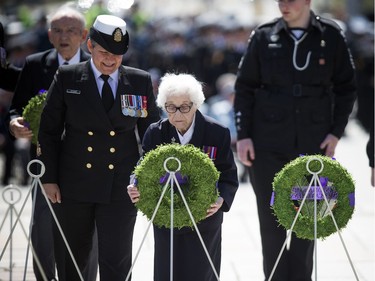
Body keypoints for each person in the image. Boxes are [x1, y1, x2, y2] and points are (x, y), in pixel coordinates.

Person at [233, 0, 356, 280]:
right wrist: (244, 136)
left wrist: (335, 132)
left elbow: (346, 88)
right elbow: (244, 88)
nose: (284, 5)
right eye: (280, 0)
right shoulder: (264, 36)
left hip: (311, 148)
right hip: (267, 147)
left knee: (306, 224)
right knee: (272, 223)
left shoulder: (330, 36)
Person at [38, 14, 160, 281]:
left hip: (121, 184)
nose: (110, 60)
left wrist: (149, 180)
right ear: (90, 46)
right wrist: (49, 178)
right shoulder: (69, 77)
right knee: (72, 260)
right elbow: (48, 131)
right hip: (75, 183)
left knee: (117, 261)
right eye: (104, 52)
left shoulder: (139, 81)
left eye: (117, 54)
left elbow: (152, 134)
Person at [7, 6, 98, 281]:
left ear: (84, 35)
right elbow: (16, 108)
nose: (64, 36)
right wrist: (14, 124)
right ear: (49, 35)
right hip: (44, 159)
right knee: (42, 229)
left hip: (87, 161)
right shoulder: (36, 65)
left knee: (86, 229)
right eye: (57, 30)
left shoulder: (97, 64)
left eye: (71, 30)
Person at [127, 73, 239, 281]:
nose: (178, 113)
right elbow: (142, 168)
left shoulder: (217, 132)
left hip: (205, 217)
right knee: (167, 271)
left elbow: (229, 176)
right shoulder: (155, 133)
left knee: (201, 272)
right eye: (171, 107)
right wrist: (134, 184)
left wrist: (221, 199)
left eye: (184, 107)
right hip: (166, 216)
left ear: (196, 105)